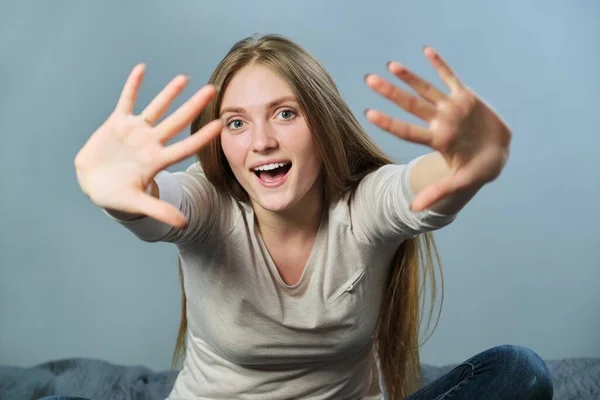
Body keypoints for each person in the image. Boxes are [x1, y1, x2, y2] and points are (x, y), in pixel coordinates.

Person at [64, 34, 553, 399]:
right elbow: (158, 206)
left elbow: (421, 189)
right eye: (236, 122)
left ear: (322, 123)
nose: (261, 141)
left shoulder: (362, 209)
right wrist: (118, 195)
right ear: (223, 144)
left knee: (520, 371)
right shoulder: (210, 204)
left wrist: (465, 164)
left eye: (285, 113)